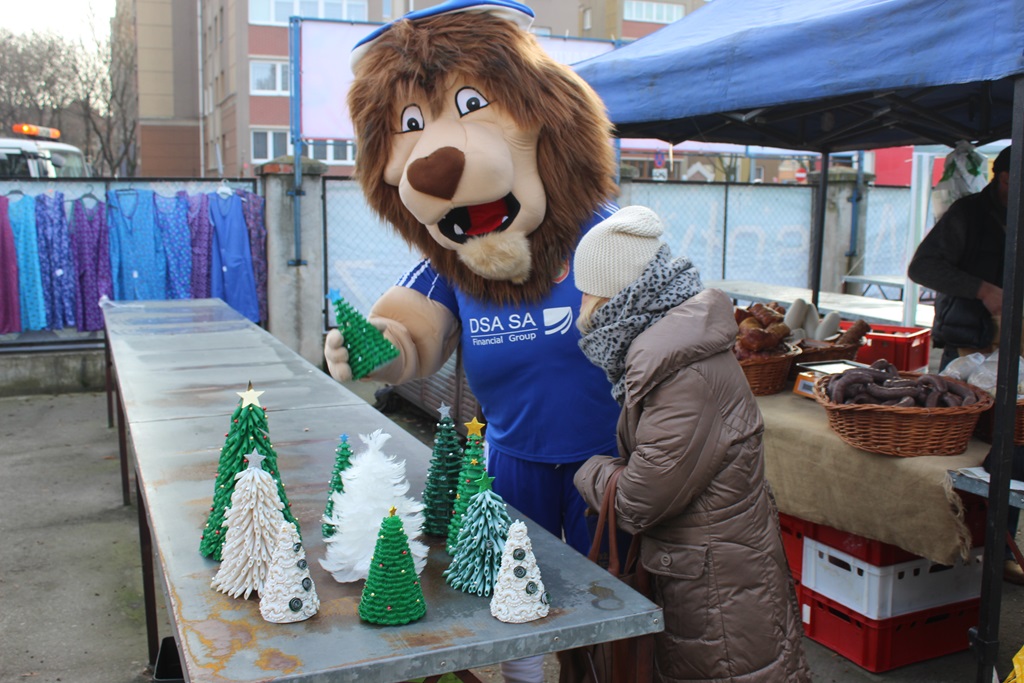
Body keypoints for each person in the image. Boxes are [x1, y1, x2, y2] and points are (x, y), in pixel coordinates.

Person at [571, 206, 811, 682]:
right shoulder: (671, 347)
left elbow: (640, 500)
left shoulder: (681, 372)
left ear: (612, 293)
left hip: (716, 589)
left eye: (586, 290)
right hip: (712, 570)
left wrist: (589, 472)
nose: (581, 305)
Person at [908, 145, 1024, 585]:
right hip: (965, 348)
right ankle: (943, 547)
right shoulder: (968, 213)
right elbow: (922, 266)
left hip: (1013, 347)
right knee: (958, 447)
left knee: (1012, 449)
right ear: (1004, 176)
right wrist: (981, 289)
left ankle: (999, 549)